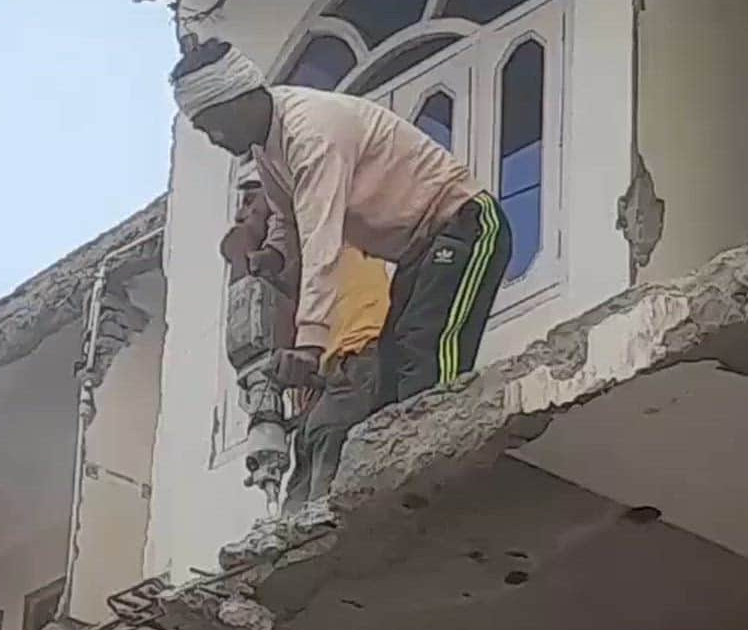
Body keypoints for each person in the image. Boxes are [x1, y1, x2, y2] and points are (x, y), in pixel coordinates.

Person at [172, 38, 513, 409]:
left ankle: (442, 454)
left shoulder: (310, 132)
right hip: (419, 252)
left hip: (465, 224)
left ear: (237, 100)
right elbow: (287, 217)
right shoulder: (268, 147)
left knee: (428, 359)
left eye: (212, 126)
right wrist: (274, 252)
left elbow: (322, 242)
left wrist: (310, 344)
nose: (214, 140)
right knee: (394, 374)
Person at [220, 180, 390, 512]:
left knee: (322, 501)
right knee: (298, 500)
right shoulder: (288, 278)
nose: (240, 214)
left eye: (249, 202)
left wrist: (246, 247)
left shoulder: (317, 226)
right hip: (323, 389)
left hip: (356, 357)